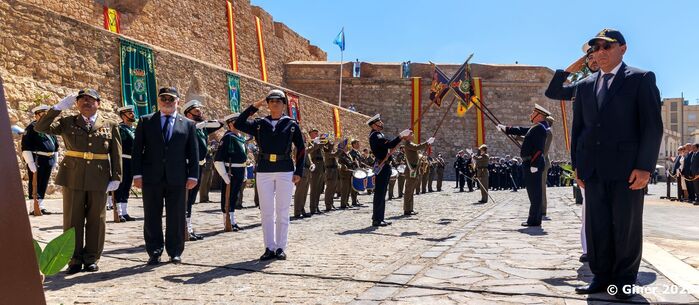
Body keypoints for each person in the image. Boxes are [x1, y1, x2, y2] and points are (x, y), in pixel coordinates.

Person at [571, 29, 663, 300]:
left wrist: (645, 166)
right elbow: (579, 130)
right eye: (595, 48)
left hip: (628, 170)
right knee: (596, 225)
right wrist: (578, 166)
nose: (600, 52)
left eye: (606, 47)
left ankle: (624, 281)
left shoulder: (640, 79)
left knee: (626, 225)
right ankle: (601, 277)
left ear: (622, 48)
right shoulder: (585, 85)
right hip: (593, 169)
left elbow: (651, 126)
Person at [35, 89, 122, 273]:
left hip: (99, 177)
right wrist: (57, 108)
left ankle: (91, 258)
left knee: (96, 220)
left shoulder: (110, 124)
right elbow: (40, 128)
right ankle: (73, 259)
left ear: (98, 103)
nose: (86, 102)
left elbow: (116, 153)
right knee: (72, 219)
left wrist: (116, 177)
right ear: (76, 104)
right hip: (73, 176)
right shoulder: (67, 122)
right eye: (82, 99)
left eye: (91, 99)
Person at [234, 89, 305, 260]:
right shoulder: (259, 123)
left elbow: (301, 149)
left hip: (285, 169)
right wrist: (254, 106)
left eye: (278, 101)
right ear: (267, 104)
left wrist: (299, 171)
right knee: (266, 211)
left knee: (282, 210)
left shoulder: (291, 124)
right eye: (271, 101)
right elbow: (239, 123)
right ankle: (269, 247)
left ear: (283, 104)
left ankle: (280, 247)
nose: (274, 104)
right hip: (264, 170)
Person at [132, 87, 199, 265]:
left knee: (176, 216)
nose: (167, 102)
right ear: (159, 101)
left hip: (177, 177)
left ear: (177, 102)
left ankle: (175, 251)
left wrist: (193, 175)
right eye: (164, 99)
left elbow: (193, 152)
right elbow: (137, 150)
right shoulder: (146, 121)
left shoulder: (188, 124)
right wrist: (137, 174)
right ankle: (154, 251)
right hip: (151, 177)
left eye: (171, 99)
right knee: (152, 214)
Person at [497, 103, 551, 226]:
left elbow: (539, 149)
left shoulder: (540, 128)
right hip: (530, 162)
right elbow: (521, 130)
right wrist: (506, 128)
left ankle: (533, 220)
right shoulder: (536, 127)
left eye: (533, 113)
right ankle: (535, 219)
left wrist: (534, 164)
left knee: (534, 193)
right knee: (533, 192)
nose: (531, 114)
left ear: (539, 116)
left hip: (532, 163)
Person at [182, 100, 223, 241]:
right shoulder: (184, 127)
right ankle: (184, 229)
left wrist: (203, 123)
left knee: (192, 199)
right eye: (197, 111)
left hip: (199, 166)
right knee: (186, 200)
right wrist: (193, 125)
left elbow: (219, 124)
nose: (200, 113)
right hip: (187, 167)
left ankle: (189, 228)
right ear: (189, 113)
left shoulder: (202, 128)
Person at [367, 114, 411, 226]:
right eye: (379, 122)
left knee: (382, 193)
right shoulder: (375, 136)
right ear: (373, 125)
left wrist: (400, 137)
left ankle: (379, 218)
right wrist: (400, 136)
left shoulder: (379, 134)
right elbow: (390, 144)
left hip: (385, 165)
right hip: (382, 166)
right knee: (380, 193)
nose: (381, 123)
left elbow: (390, 145)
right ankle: (377, 219)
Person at [22, 105, 58, 215]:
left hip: (49, 158)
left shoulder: (49, 127)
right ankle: (33, 207)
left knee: (44, 183)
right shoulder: (31, 127)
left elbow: (55, 145)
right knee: (35, 183)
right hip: (37, 159)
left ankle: (41, 206)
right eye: (43, 114)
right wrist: (30, 161)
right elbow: (25, 145)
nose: (45, 117)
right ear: (36, 115)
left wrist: (55, 159)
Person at [214, 113, 247, 231]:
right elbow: (218, 158)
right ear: (230, 124)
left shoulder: (240, 137)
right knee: (227, 197)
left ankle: (233, 220)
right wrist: (223, 175)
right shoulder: (228, 137)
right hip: (230, 171)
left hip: (240, 170)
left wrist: (244, 171)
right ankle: (227, 221)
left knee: (235, 196)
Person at [113, 106, 137, 222]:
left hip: (132, 161)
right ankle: (118, 212)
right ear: (123, 115)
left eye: (133, 113)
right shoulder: (119, 129)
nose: (132, 115)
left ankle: (125, 212)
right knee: (120, 186)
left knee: (127, 186)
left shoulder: (134, 130)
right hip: (122, 159)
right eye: (130, 113)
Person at [402, 135, 434, 215]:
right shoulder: (408, 143)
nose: (413, 135)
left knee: (411, 190)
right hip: (410, 170)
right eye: (411, 134)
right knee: (409, 190)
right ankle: (407, 209)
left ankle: (410, 209)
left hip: (414, 170)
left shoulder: (410, 143)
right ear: (407, 137)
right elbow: (417, 147)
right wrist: (427, 142)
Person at [307, 129, 325, 214]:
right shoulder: (310, 143)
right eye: (315, 133)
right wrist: (317, 142)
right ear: (310, 134)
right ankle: (312, 208)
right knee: (314, 189)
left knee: (319, 189)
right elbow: (312, 150)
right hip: (315, 166)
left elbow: (324, 148)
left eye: (317, 133)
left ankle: (316, 206)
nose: (317, 134)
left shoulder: (319, 143)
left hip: (321, 167)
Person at [541, 116, 554, 218]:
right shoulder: (544, 131)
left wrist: (538, 161)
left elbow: (545, 150)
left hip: (543, 162)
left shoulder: (548, 132)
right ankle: (540, 208)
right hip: (541, 162)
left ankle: (542, 209)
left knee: (541, 186)